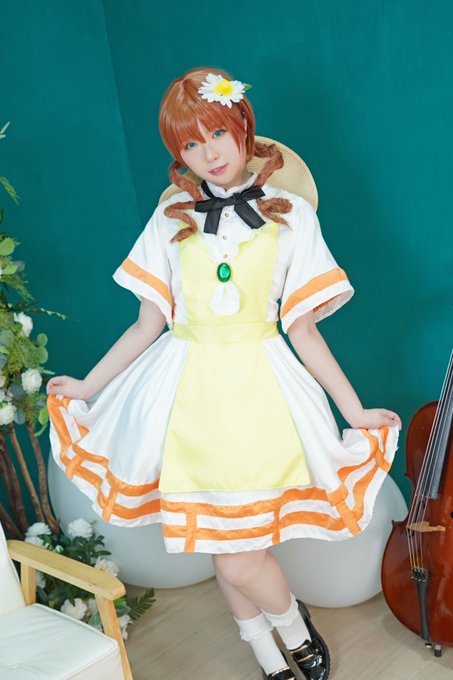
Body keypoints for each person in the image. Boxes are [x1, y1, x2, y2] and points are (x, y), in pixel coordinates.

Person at [46, 67, 402, 680]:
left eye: (216, 133)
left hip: (259, 393)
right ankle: (269, 652)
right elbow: (146, 325)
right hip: (185, 395)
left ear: (242, 128)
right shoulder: (170, 216)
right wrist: (86, 387)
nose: (208, 153)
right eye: (190, 143)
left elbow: (304, 331)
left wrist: (354, 411)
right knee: (219, 540)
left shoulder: (293, 216)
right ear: (177, 154)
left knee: (239, 553)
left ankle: (294, 632)